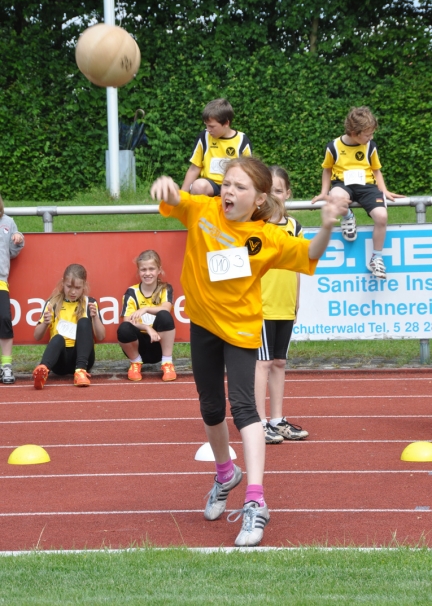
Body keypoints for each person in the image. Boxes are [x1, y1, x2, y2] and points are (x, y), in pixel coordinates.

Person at [151, 156, 347, 547]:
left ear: (258, 199)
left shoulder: (268, 237)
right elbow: (174, 201)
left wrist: (327, 225)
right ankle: (226, 473)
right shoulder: (203, 210)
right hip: (204, 326)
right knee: (209, 408)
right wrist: (166, 186)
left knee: (244, 409)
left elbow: (309, 255)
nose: (229, 192)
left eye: (240, 187)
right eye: (227, 184)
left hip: (241, 330)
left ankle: (256, 502)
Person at [312, 106, 404, 279]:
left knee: (382, 216)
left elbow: (376, 171)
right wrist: (324, 192)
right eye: (368, 135)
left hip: (367, 186)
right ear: (354, 133)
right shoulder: (333, 146)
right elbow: (327, 170)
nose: (371, 138)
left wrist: (384, 190)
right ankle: (348, 217)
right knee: (336, 197)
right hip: (342, 184)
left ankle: (376, 258)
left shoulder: (370, 147)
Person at [255, 166, 308, 445]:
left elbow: (298, 266)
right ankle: (259, 422)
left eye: (279, 190)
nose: (274, 196)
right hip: (260, 305)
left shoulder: (295, 227)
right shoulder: (255, 225)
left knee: (279, 362)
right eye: (268, 191)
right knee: (261, 363)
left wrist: (297, 301)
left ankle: (277, 420)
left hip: (285, 304)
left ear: (287, 193)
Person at [32, 264, 105, 390]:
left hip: (83, 358)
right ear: (62, 283)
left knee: (83, 321)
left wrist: (95, 318)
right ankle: (43, 370)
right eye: (69, 287)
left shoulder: (90, 303)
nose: (72, 291)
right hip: (60, 361)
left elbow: (101, 336)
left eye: (77, 288)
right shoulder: (52, 303)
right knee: (58, 338)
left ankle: (80, 372)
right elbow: (37, 336)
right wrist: (45, 323)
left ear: (84, 286)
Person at [117, 249, 177, 382]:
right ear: (138, 271)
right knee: (124, 328)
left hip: (158, 345)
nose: (148, 273)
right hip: (139, 345)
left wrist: (145, 309)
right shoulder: (131, 292)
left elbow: (166, 309)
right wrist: (147, 328)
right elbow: (127, 320)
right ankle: (135, 363)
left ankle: (167, 363)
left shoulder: (165, 288)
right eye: (143, 269)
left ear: (159, 270)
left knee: (164, 316)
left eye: (151, 269)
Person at [181, 98, 252, 197]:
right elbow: (194, 168)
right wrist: (182, 195)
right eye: (206, 126)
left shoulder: (242, 140)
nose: (208, 130)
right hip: (210, 185)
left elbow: (249, 171)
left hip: (233, 186)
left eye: (212, 126)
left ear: (226, 123)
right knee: (198, 186)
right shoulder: (204, 137)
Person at [0, 195, 24, 384]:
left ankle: (6, 366)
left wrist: (18, 239)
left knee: (5, 319)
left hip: (0, 281)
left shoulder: (8, 222)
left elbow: (13, 252)